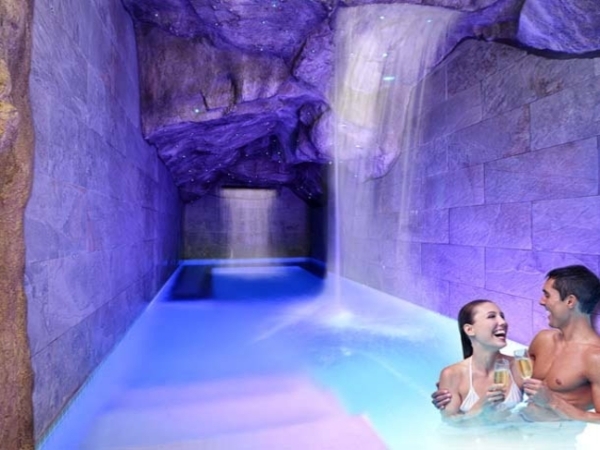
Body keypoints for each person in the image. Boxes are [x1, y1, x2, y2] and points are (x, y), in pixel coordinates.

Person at [432, 265, 600, 424]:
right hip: (521, 423)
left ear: (570, 301)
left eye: (547, 295)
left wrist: (553, 401)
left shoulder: (595, 357)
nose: (541, 301)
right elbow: (517, 375)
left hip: (556, 433)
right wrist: (454, 388)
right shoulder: (543, 340)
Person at [436, 299, 523, 425]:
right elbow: (451, 426)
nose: (503, 322)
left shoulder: (518, 366)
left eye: (502, 316)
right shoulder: (452, 374)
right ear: (469, 330)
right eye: (491, 316)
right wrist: (479, 407)